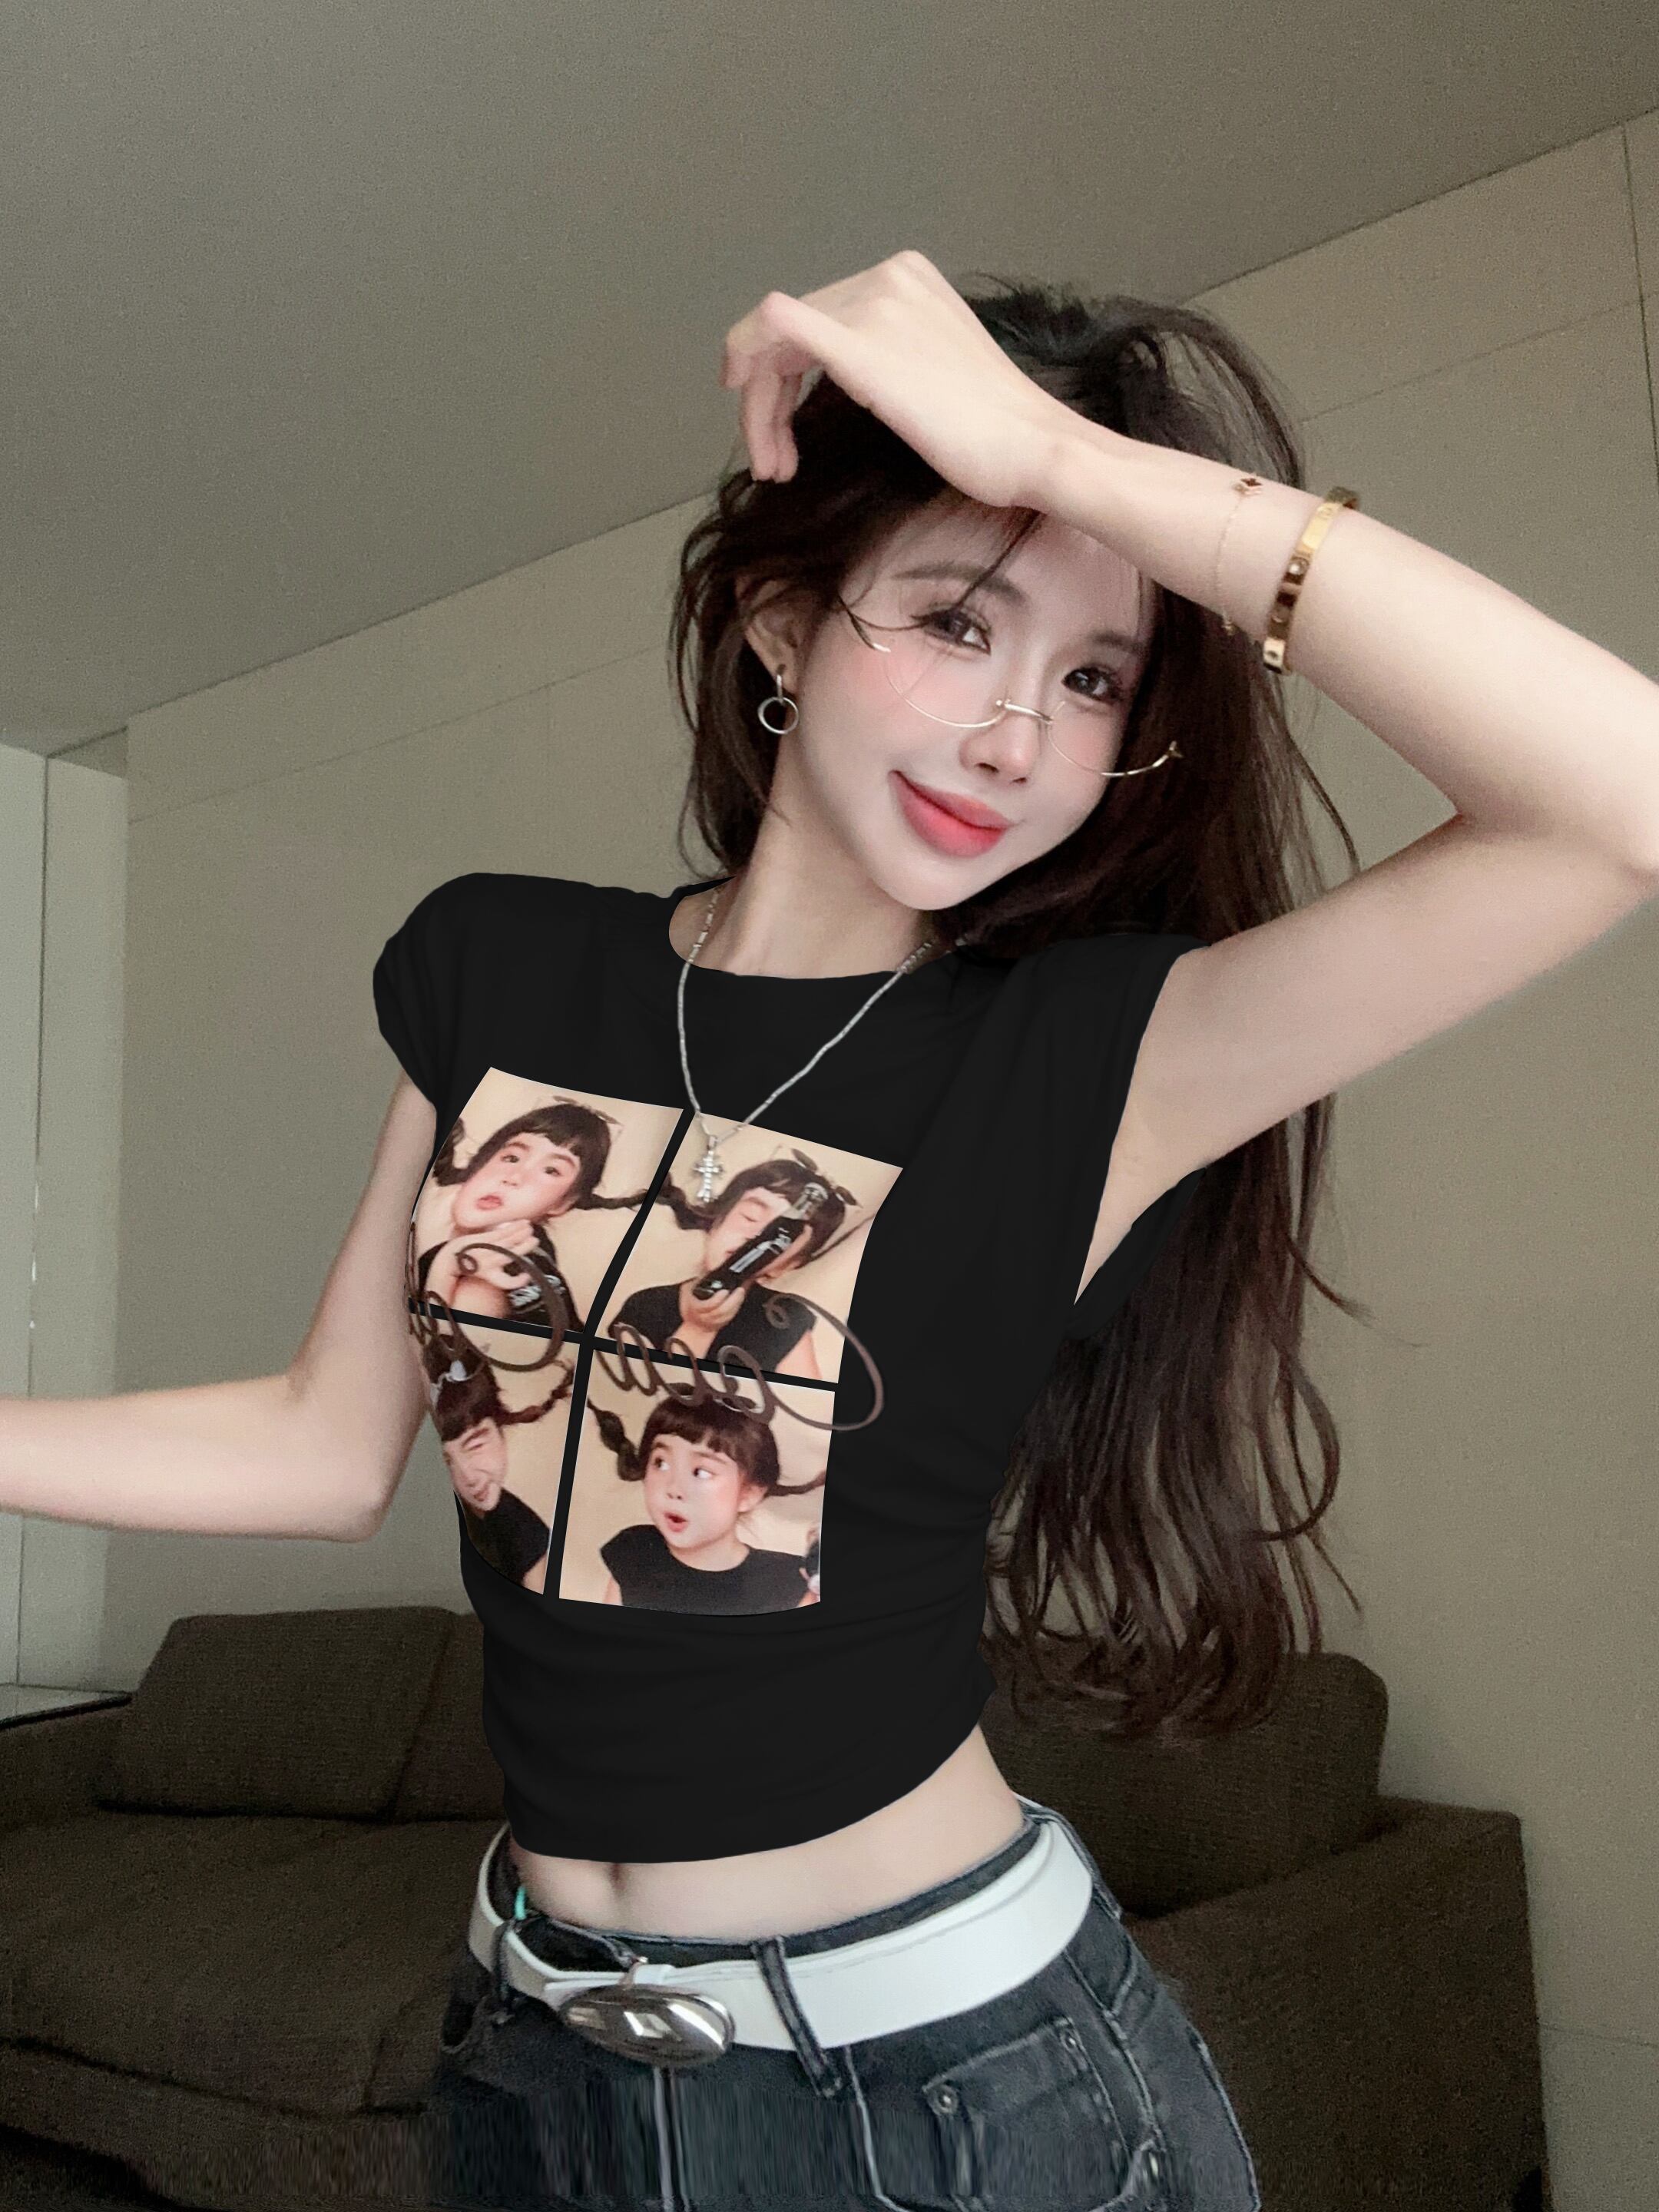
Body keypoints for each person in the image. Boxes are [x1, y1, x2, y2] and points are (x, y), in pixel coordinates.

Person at [5, 250, 1657, 2212]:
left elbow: (1617, 800)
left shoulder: (1090, 1060)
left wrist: (1061, 462)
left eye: (1093, 678)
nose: (1016, 736)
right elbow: (321, 1442)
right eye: (958, 621)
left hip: (954, 2097)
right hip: (533, 2064)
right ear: (781, 617)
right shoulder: (495, 968)